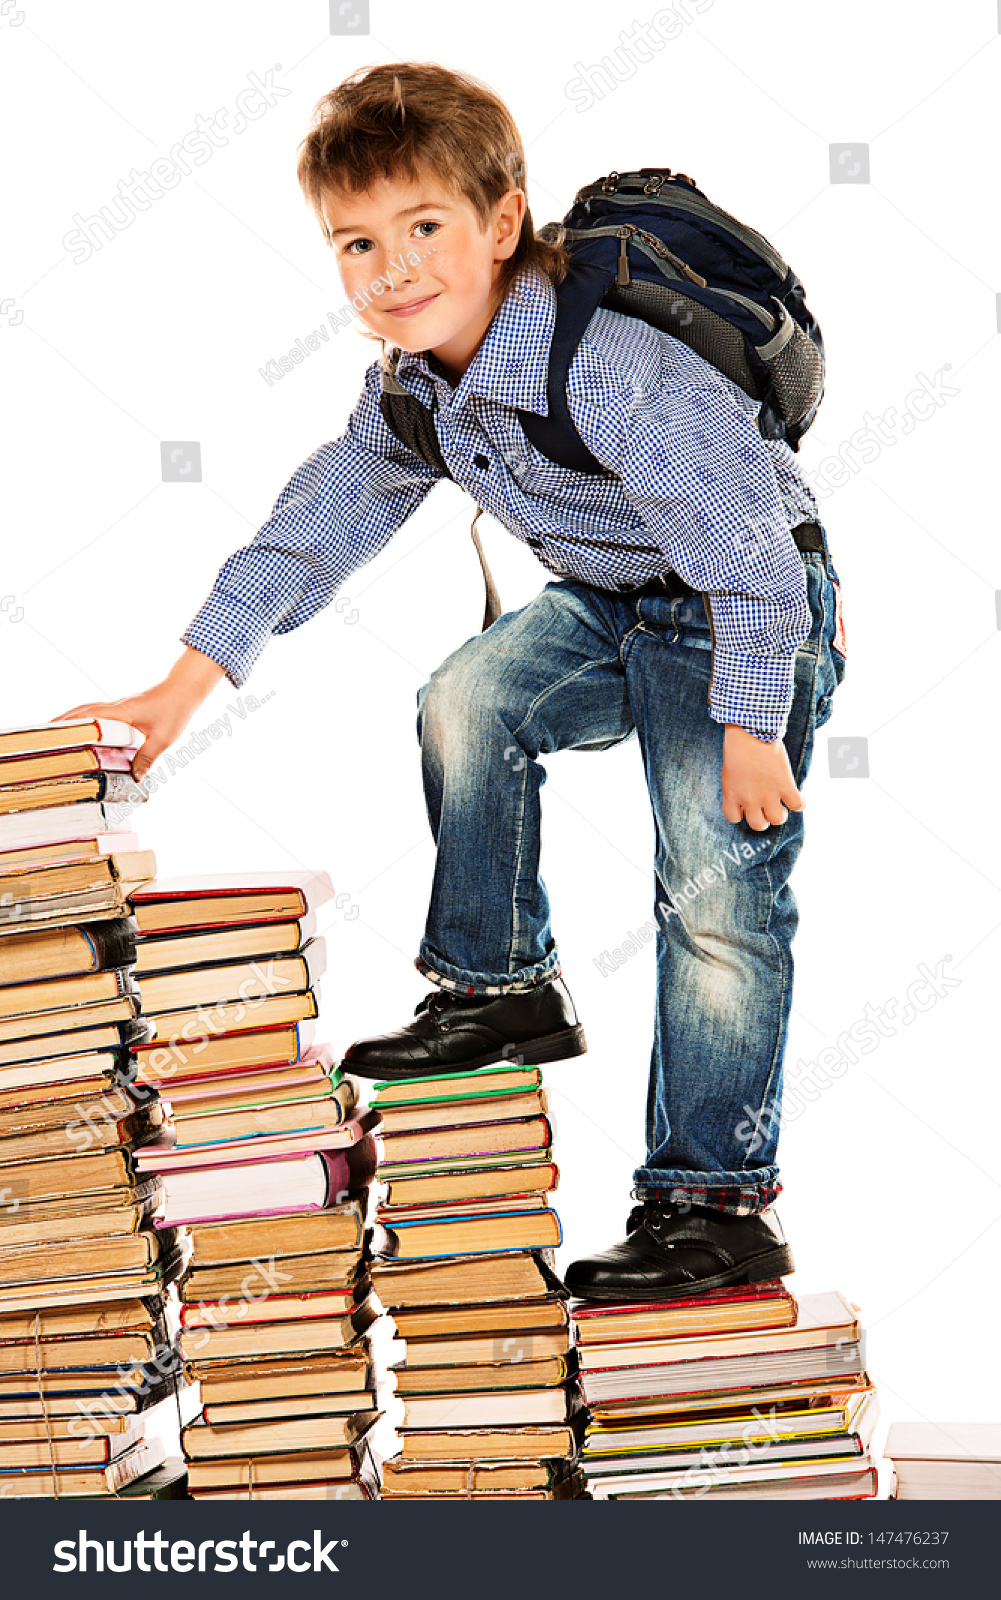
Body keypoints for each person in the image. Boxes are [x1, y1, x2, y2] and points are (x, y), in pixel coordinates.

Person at [55, 61, 846, 1301]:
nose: (391, 270)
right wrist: (177, 689)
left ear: (500, 221)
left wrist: (752, 723)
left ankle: (713, 1203)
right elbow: (309, 529)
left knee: (712, 903)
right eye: (356, 243)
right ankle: (500, 983)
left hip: (748, 615)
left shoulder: (612, 367)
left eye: (423, 228)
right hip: (611, 605)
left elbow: (748, 549)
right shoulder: (416, 390)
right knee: (466, 697)